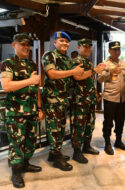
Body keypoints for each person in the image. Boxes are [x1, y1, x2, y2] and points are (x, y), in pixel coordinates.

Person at [1, 33, 43, 188]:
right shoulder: (8, 63)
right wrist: (30, 80)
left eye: (28, 44)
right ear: (14, 45)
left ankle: (26, 164)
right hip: (16, 112)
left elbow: (36, 87)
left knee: (30, 140)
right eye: (22, 44)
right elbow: (6, 86)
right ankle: (16, 172)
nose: (26, 47)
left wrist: (39, 107)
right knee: (17, 143)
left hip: (31, 110)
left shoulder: (31, 64)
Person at [42, 31, 84, 171]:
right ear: (55, 43)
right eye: (61, 41)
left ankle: (53, 154)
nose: (65, 43)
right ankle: (57, 157)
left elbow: (73, 77)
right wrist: (72, 72)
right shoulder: (49, 56)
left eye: (67, 41)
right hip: (52, 100)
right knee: (54, 129)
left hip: (63, 100)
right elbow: (52, 74)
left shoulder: (66, 59)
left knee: (60, 129)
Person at [71, 38, 104, 163]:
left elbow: (90, 80)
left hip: (89, 99)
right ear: (79, 47)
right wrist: (94, 70)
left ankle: (86, 146)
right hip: (80, 100)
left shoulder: (88, 62)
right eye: (85, 47)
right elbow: (77, 76)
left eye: (89, 47)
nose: (87, 49)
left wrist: (95, 93)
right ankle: (77, 151)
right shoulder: (77, 61)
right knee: (79, 125)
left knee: (89, 124)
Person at [97, 41, 125, 155]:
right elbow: (99, 79)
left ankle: (118, 141)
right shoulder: (104, 64)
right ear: (109, 51)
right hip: (110, 98)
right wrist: (111, 72)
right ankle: (107, 143)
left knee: (120, 121)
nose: (117, 52)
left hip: (122, 98)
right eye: (114, 49)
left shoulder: (123, 63)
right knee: (108, 122)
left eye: (118, 49)